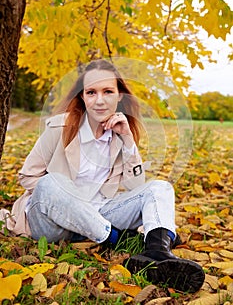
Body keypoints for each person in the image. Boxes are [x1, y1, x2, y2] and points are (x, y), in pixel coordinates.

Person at [8, 59, 204, 293]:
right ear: (82, 96)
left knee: (159, 188)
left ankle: (158, 253)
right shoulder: (59, 128)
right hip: (53, 222)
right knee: (52, 182)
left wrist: (129, 141)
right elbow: (27, 176)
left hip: (98, 212)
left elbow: (135, 185)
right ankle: (116, 239)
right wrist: (70, 201)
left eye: (108, 91)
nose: (99, 100)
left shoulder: (120, 134)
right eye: (91, 92)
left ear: (120, 95)